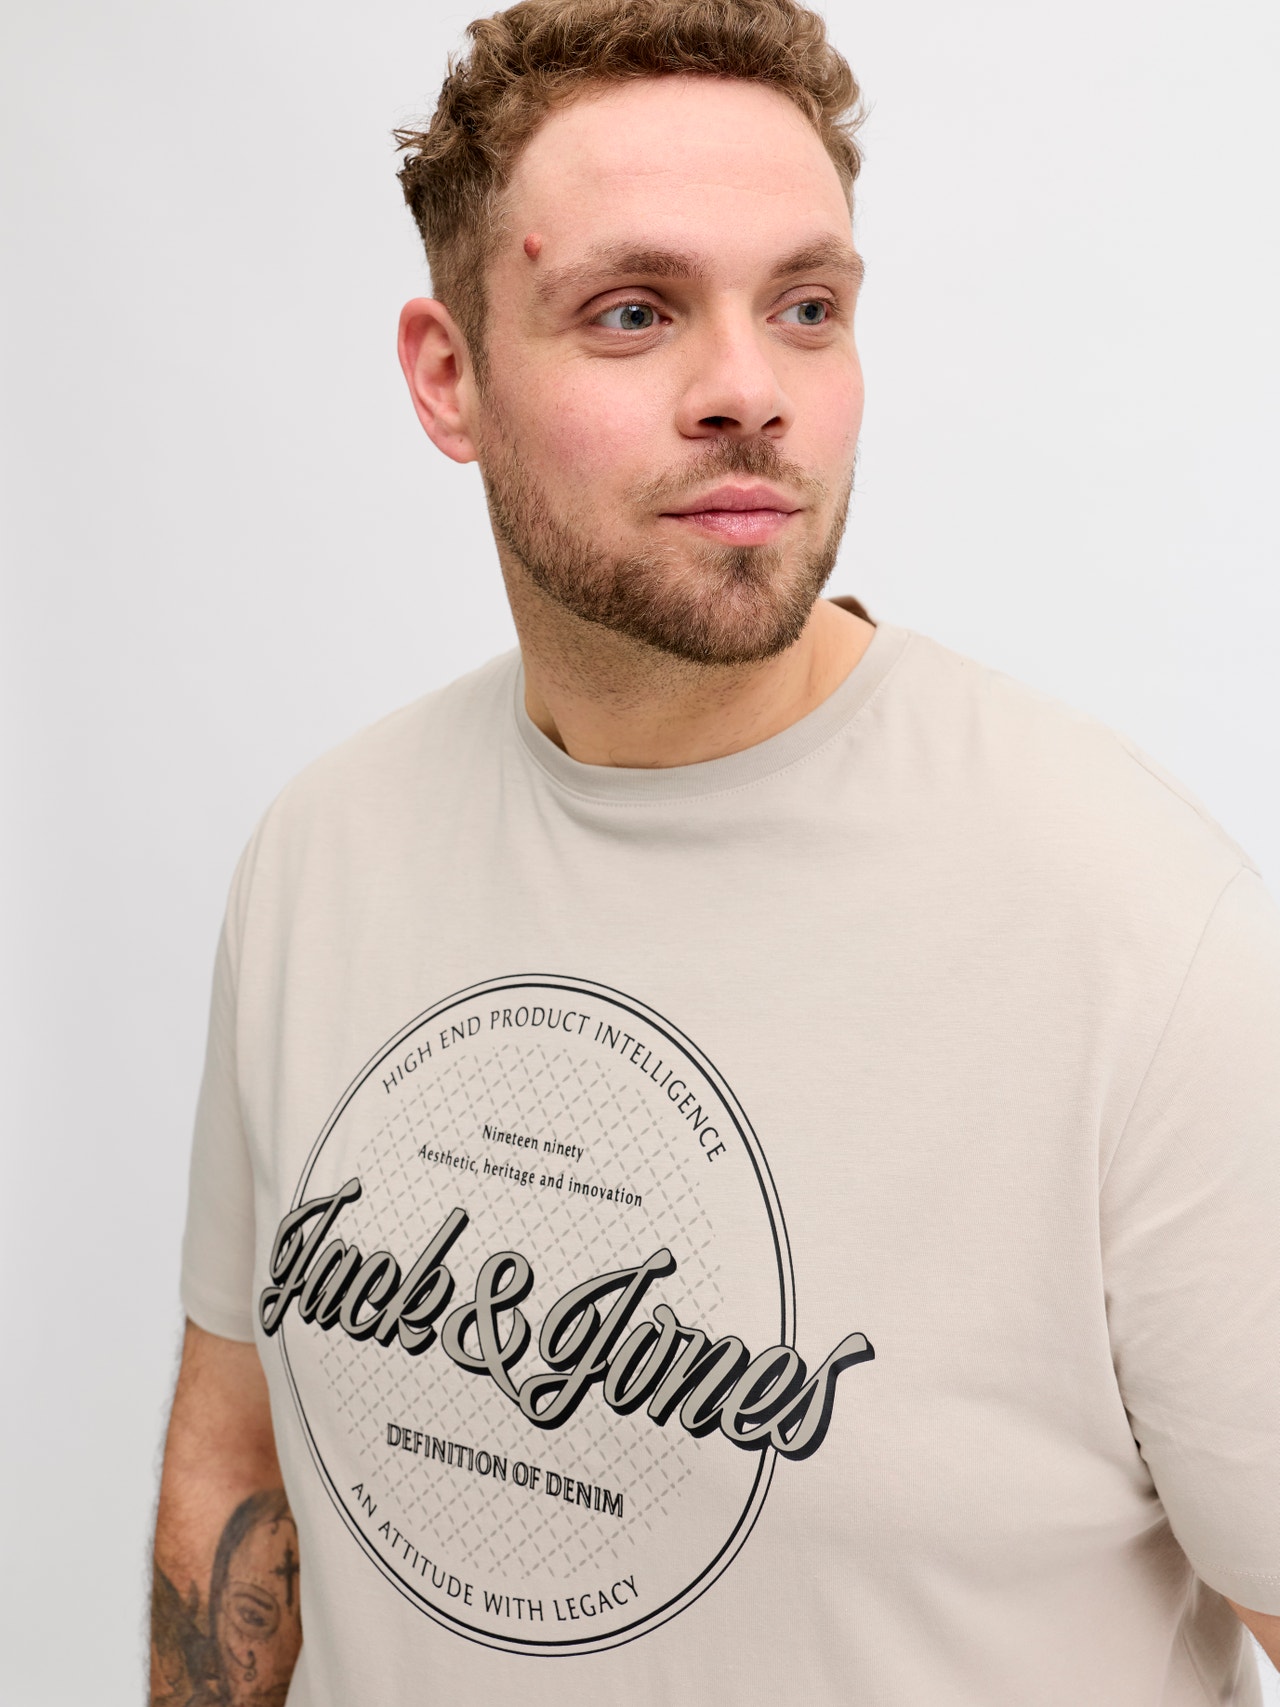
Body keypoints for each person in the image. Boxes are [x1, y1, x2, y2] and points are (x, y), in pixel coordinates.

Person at [151, 1, 1280, 1701]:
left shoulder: (1144, 942)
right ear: (450, 377)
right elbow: (235, 1469)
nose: (749, 391)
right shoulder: (322, 856)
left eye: (806, 309)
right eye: (634, 311)